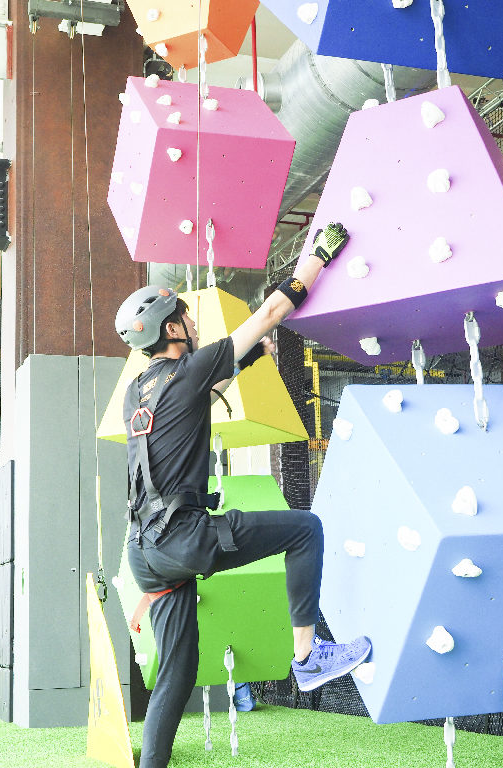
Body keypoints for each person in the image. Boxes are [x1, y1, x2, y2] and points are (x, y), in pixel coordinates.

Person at [117, 223, 371, 768]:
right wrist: (315, 261)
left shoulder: (139, 393)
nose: (190, 319)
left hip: (145, 553)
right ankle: (307, 657)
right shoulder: (188, 371)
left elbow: (201, 401)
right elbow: (270, 313)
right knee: (306, 529)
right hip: (183, 540)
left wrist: (252, 356)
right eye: (182, 314)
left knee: (177, 675)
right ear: (170, 329)